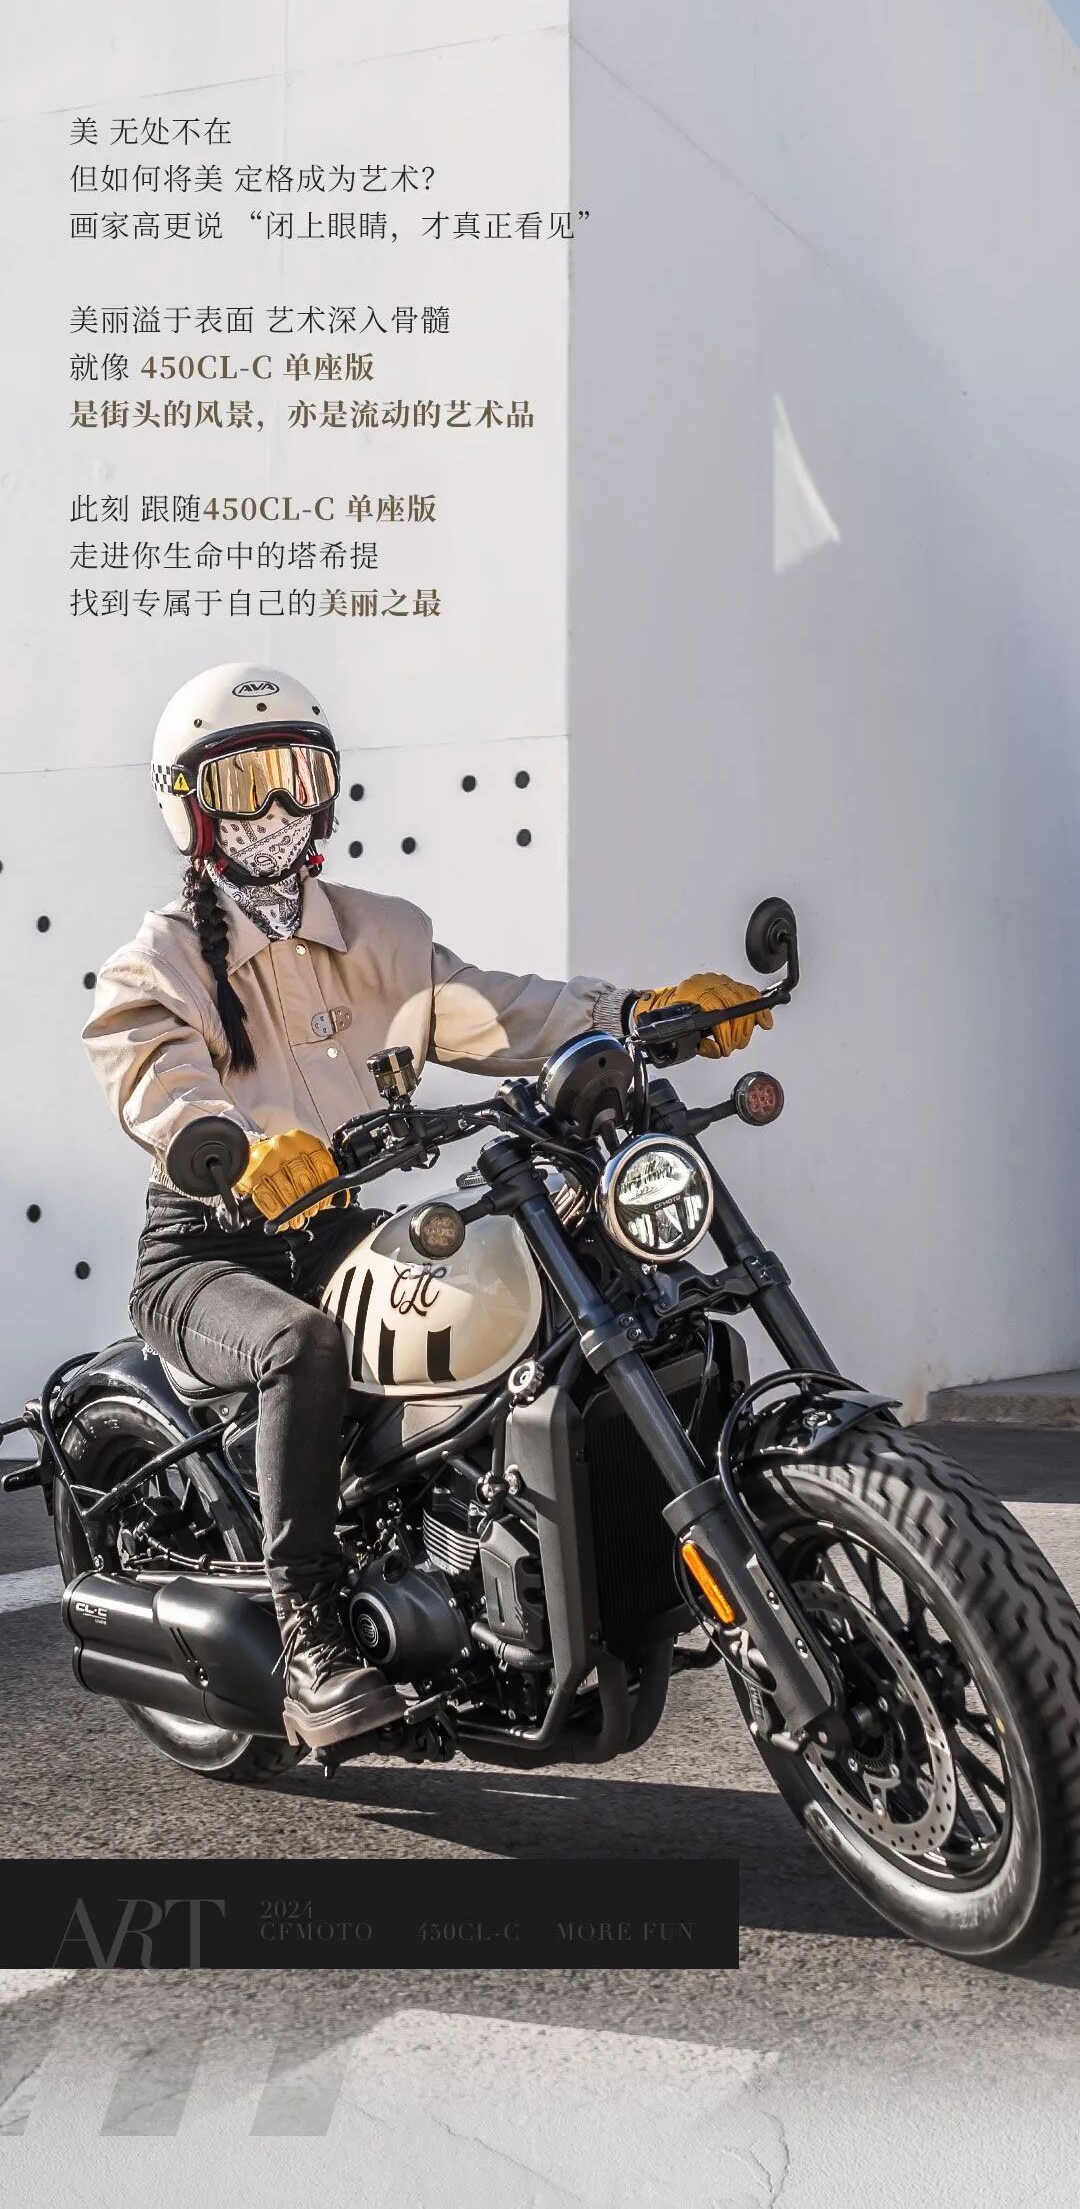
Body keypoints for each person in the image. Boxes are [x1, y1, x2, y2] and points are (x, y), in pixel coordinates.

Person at [82, 661, 773, 1752]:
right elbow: (154, 1076)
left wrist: (642, 1012)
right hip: (207, 1253)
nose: (276, 806)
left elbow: (499, 1010)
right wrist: (232, 1149)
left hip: (335, 1228)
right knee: (302, 1345)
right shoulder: (159, 961)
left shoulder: (382, 932)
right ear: (190, 806)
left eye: (298, 774)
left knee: (519, 1278)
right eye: (245, 782)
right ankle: (314, 1638)